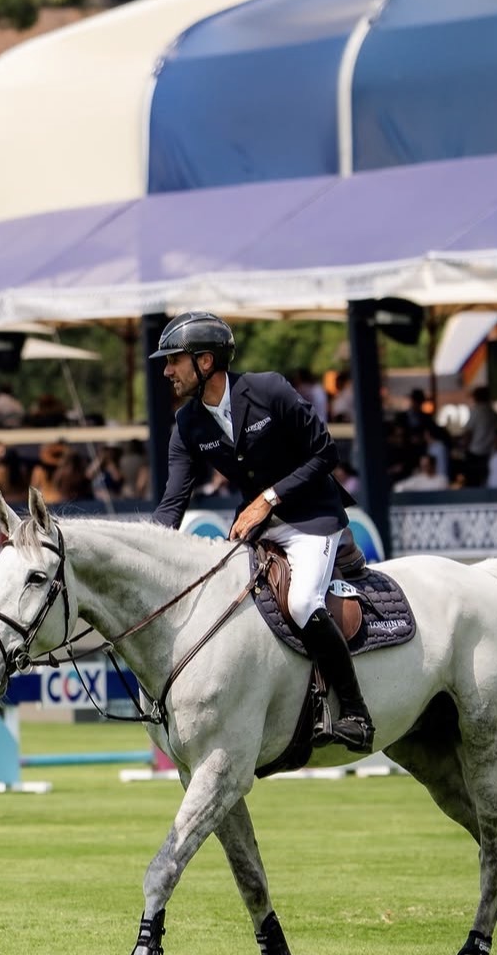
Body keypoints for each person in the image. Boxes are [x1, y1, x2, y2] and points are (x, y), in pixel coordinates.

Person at [150, 311, 373, 754]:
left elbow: (325, 453)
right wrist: (142, 555)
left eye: (174, 360)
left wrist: (268, 498)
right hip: (257, 530)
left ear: (206, 362)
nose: (166, 371)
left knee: (303, 600)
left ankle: (354, 712)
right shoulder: (188, 425)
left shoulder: (269, 390)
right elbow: (172, 504)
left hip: (313, 519)